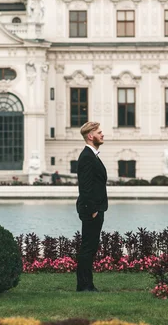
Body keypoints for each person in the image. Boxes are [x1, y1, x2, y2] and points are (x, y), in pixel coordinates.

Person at [76, 122, 108, 292]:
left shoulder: (91, 155)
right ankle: (84, 285)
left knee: (90, 247)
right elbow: (85, 187)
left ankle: (86, 284)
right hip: (92, 210)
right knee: (88, 248)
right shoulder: (87, 156)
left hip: (95, 208)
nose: (102, 135)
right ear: (90, 136)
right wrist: (93, 209)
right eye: (99, 132)